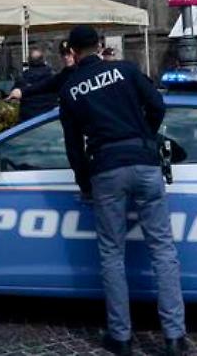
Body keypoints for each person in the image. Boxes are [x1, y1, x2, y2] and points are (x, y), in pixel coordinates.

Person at [57, 25, 186, 356]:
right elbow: (157, 105)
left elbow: (73, 147)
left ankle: (121, 336)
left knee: (112, 253)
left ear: (72, 50)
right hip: (144, 162)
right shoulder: (125, 69)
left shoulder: (71, 88)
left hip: (106, 168)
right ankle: (173, 337)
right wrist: (145, 136)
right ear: (99, 45)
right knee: (162, 250)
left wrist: (84, 183)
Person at [10, 48, 57, 122]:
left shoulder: (22, 79)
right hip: (49, 119)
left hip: (28, 122)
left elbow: (13, 96)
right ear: (43, 60)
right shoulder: (52, 77)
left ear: (29, 62)